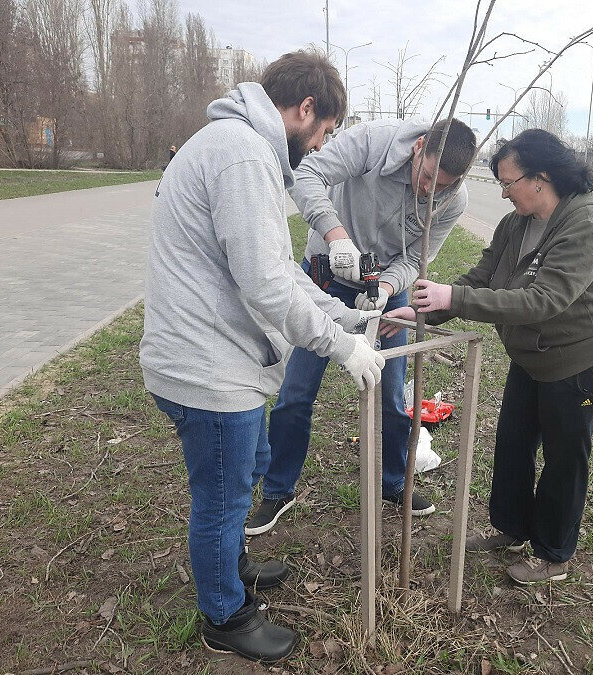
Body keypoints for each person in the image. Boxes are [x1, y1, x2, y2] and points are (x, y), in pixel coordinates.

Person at [139, 50, 384, 664]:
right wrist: (339, 346)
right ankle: (225, 614)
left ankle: (233, 567)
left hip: (213, 358)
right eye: (324, 131)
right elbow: (267, 287)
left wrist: (350, 319)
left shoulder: (239, 146)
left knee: (237, 481)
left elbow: (280, 271)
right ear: (304, 109)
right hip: (207, 371)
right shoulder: (243, 153)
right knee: (221, 502)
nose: (320, 144)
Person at [383, 129, 593, 584]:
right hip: (533, 358)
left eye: (508, 181)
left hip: (581, 362)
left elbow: (542, 301)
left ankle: (553, 553)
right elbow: (481, 277)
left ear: (540, 177)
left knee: (563, 458)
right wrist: (420, 310)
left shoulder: (583, 224)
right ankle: (511, 527)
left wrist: (452, 297)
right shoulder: (516, 223)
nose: (504, 192)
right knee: (513, 443)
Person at [245, 116, 477, 535]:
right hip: (324, 275)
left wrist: (387, 287)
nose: (430, 191)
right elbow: (306, 174)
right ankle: (278, 490)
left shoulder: (453, 200)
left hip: (384, 288)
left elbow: (415, 261)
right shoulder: (373, 141)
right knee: (297, 391)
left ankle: (393, 482)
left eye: (443, 186)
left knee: (390, 394)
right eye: (427, 178)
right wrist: (336, 236)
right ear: (419, 145)